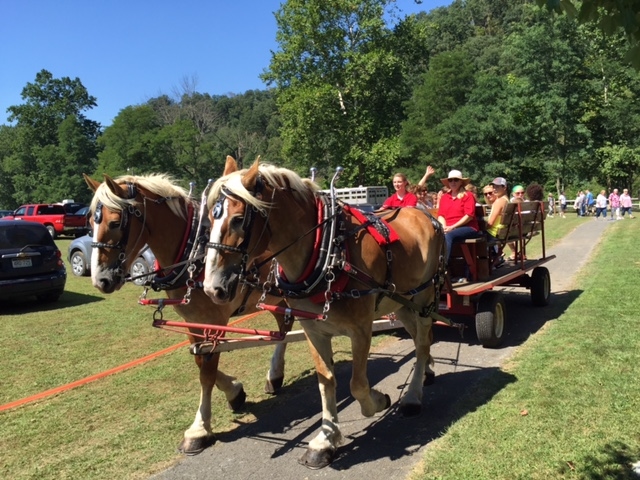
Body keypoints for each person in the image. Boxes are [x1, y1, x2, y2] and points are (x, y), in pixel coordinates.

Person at [437, 169, 481, 281]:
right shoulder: (445, 197)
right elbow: (441, 215)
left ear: (461, 182)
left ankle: (442, 268)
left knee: (449, 236)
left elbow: (469, 215)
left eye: (456, 180)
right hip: (449, 228)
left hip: (468, 228)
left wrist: (452, 227)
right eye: (450, 180)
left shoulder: (468, 195)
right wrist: (444, 227)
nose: (453, 182)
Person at [485, 177, 510, 267]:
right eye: (494, 186)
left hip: (494, 233)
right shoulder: (506, 200)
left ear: (504, 188)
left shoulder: (499, 201)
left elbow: (490, 223)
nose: (494, 189)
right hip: (501, 232)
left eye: (498, 187)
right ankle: (496, 256)